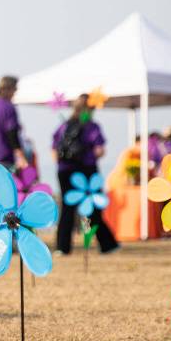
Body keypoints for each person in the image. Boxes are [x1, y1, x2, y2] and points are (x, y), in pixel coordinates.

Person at [51, 94, 119, 254]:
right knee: (94, 207)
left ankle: (62, 247)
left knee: (67, 209)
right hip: (86, 171)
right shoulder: (92, 126)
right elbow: (99, 150)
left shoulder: (64, 127)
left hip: (64, 171)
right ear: (89, 109)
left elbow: (54, 151)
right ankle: (107, 244)